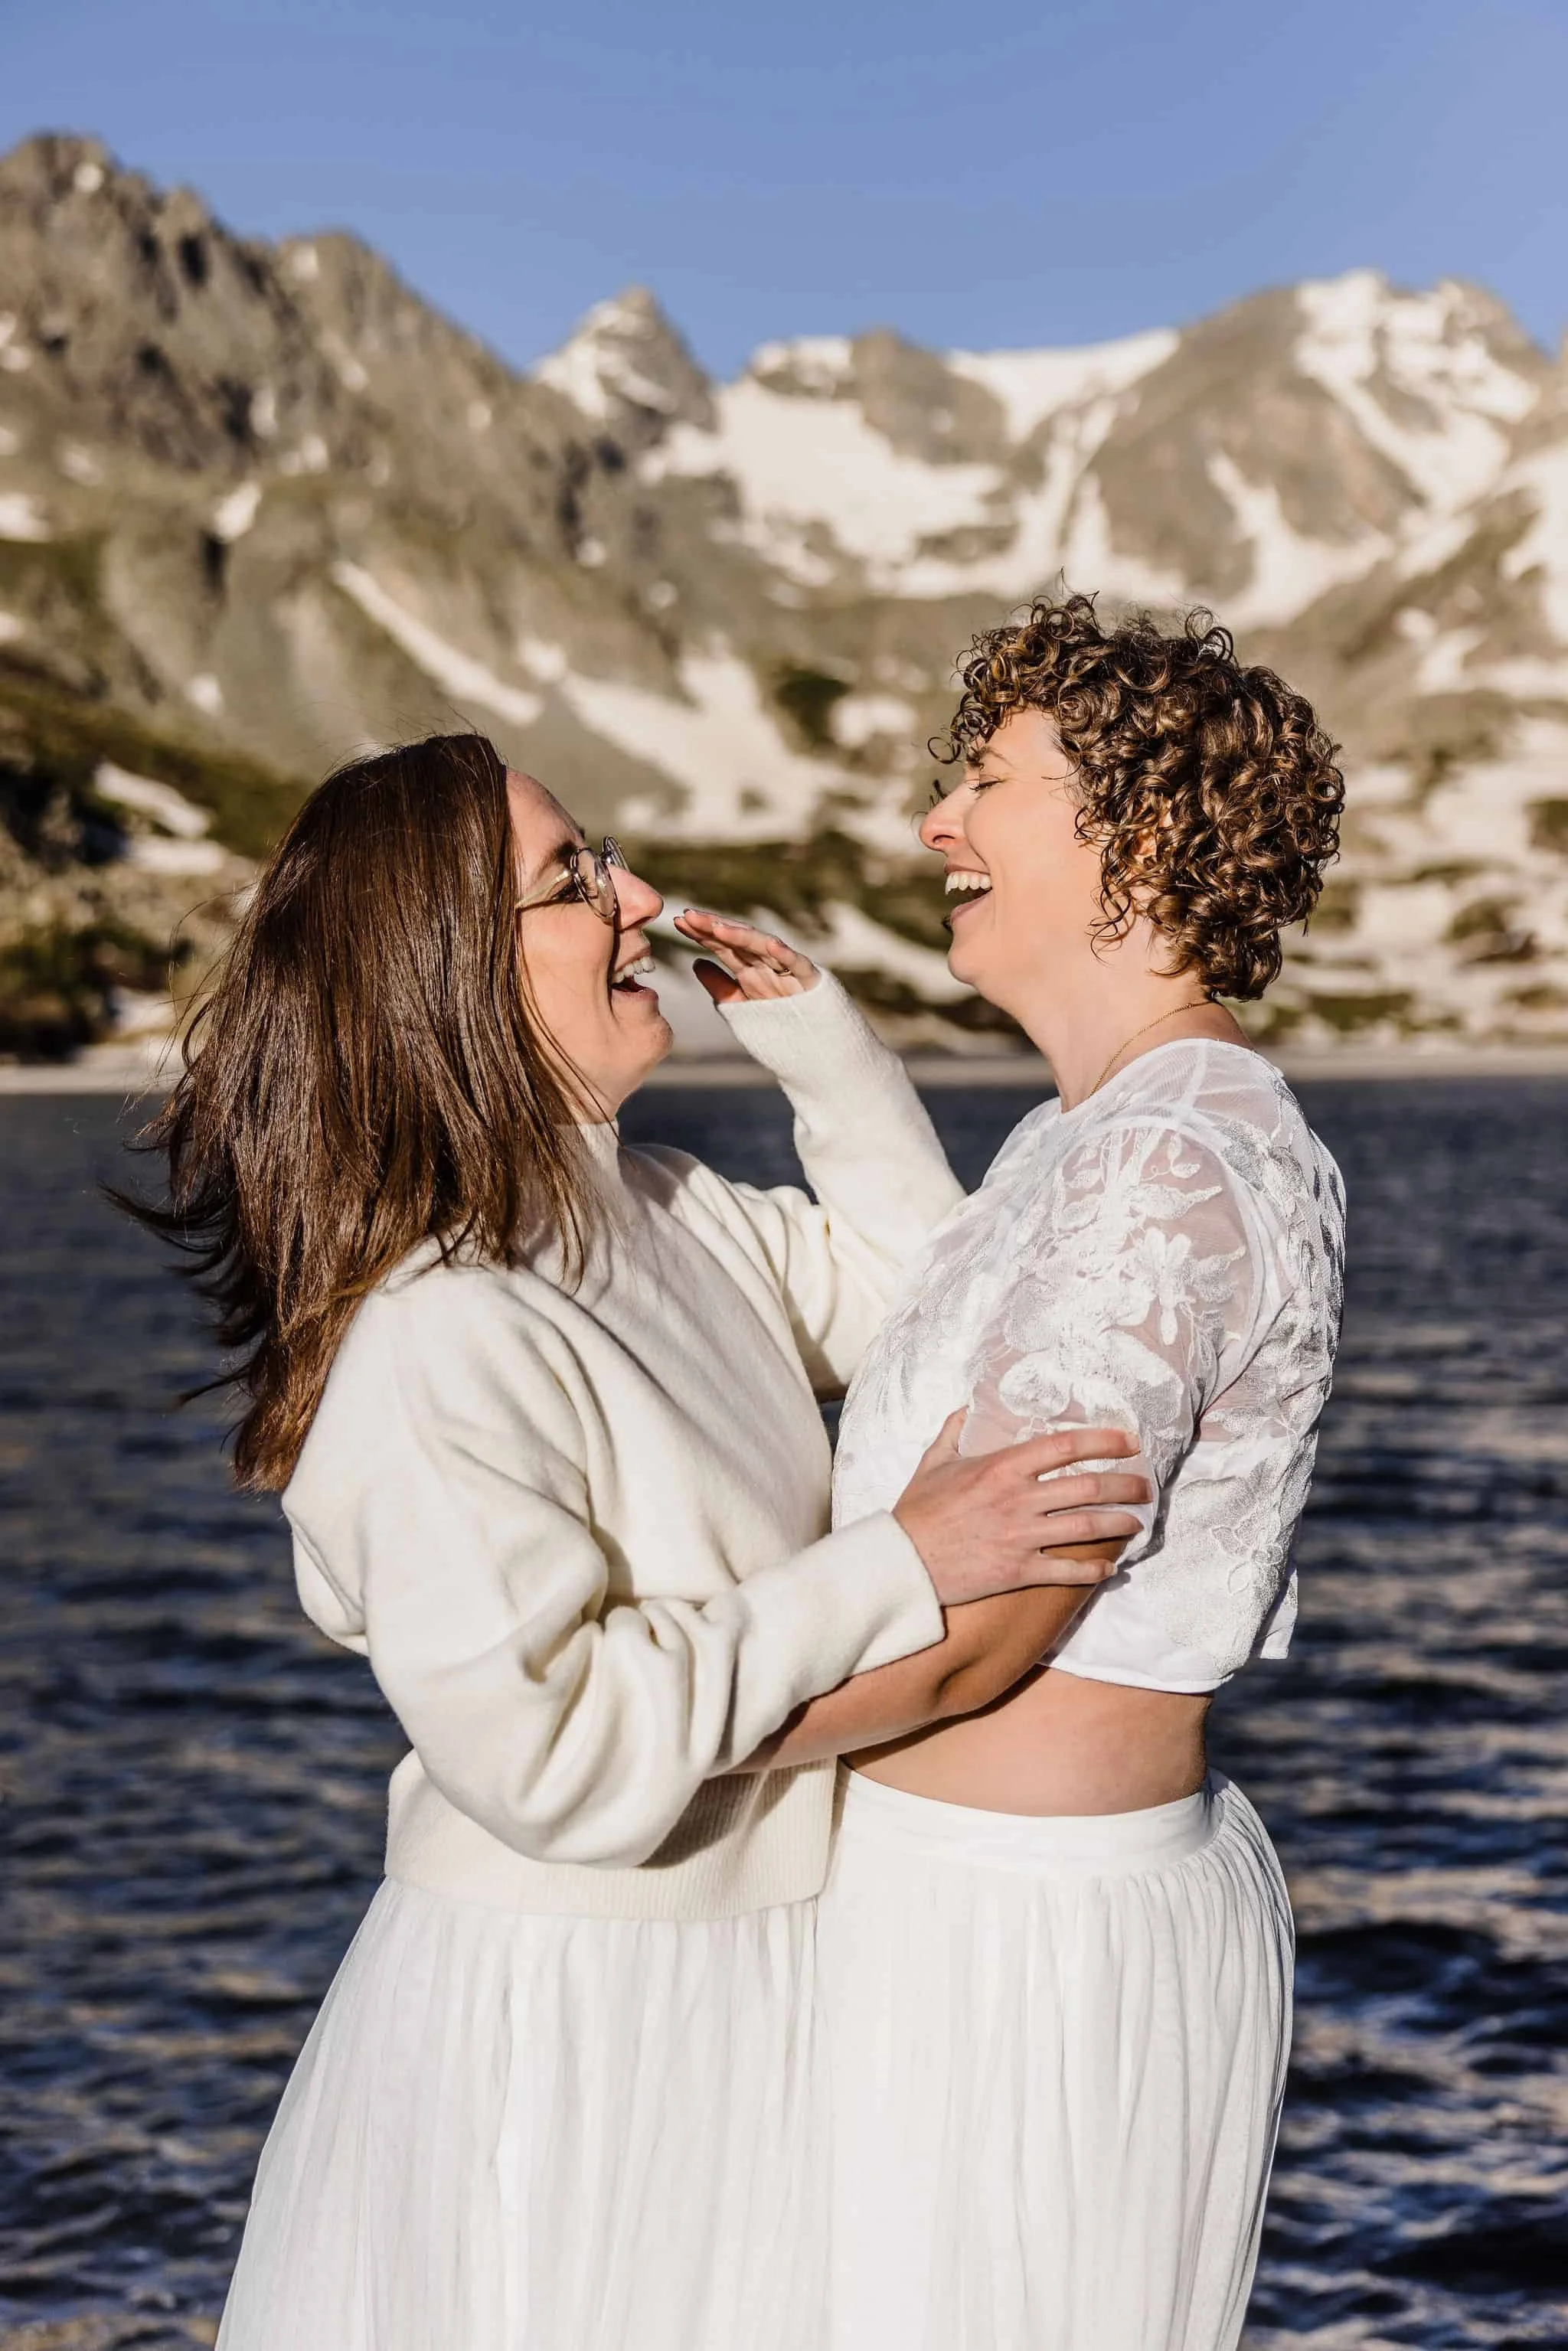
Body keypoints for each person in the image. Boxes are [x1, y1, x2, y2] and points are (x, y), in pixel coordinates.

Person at [123, 732, 1145, 2351]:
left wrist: (823, 1054)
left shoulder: (660, 1207)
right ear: (450, 974)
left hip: (752, 1980)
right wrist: (903, 1563)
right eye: (572, 879)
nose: (641, 898)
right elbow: (550, 1752)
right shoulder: (434, 1331)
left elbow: (926, 1307)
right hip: (576, 2035)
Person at [752, 596, 1347, 2350]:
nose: (935, 820)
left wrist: (615, 1742)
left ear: (1133, 838)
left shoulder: (1175, 1154)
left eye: (988, 781)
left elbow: (986, 1627)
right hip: (954, 1902)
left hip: (1022, 1944)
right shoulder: (1076, 1135)